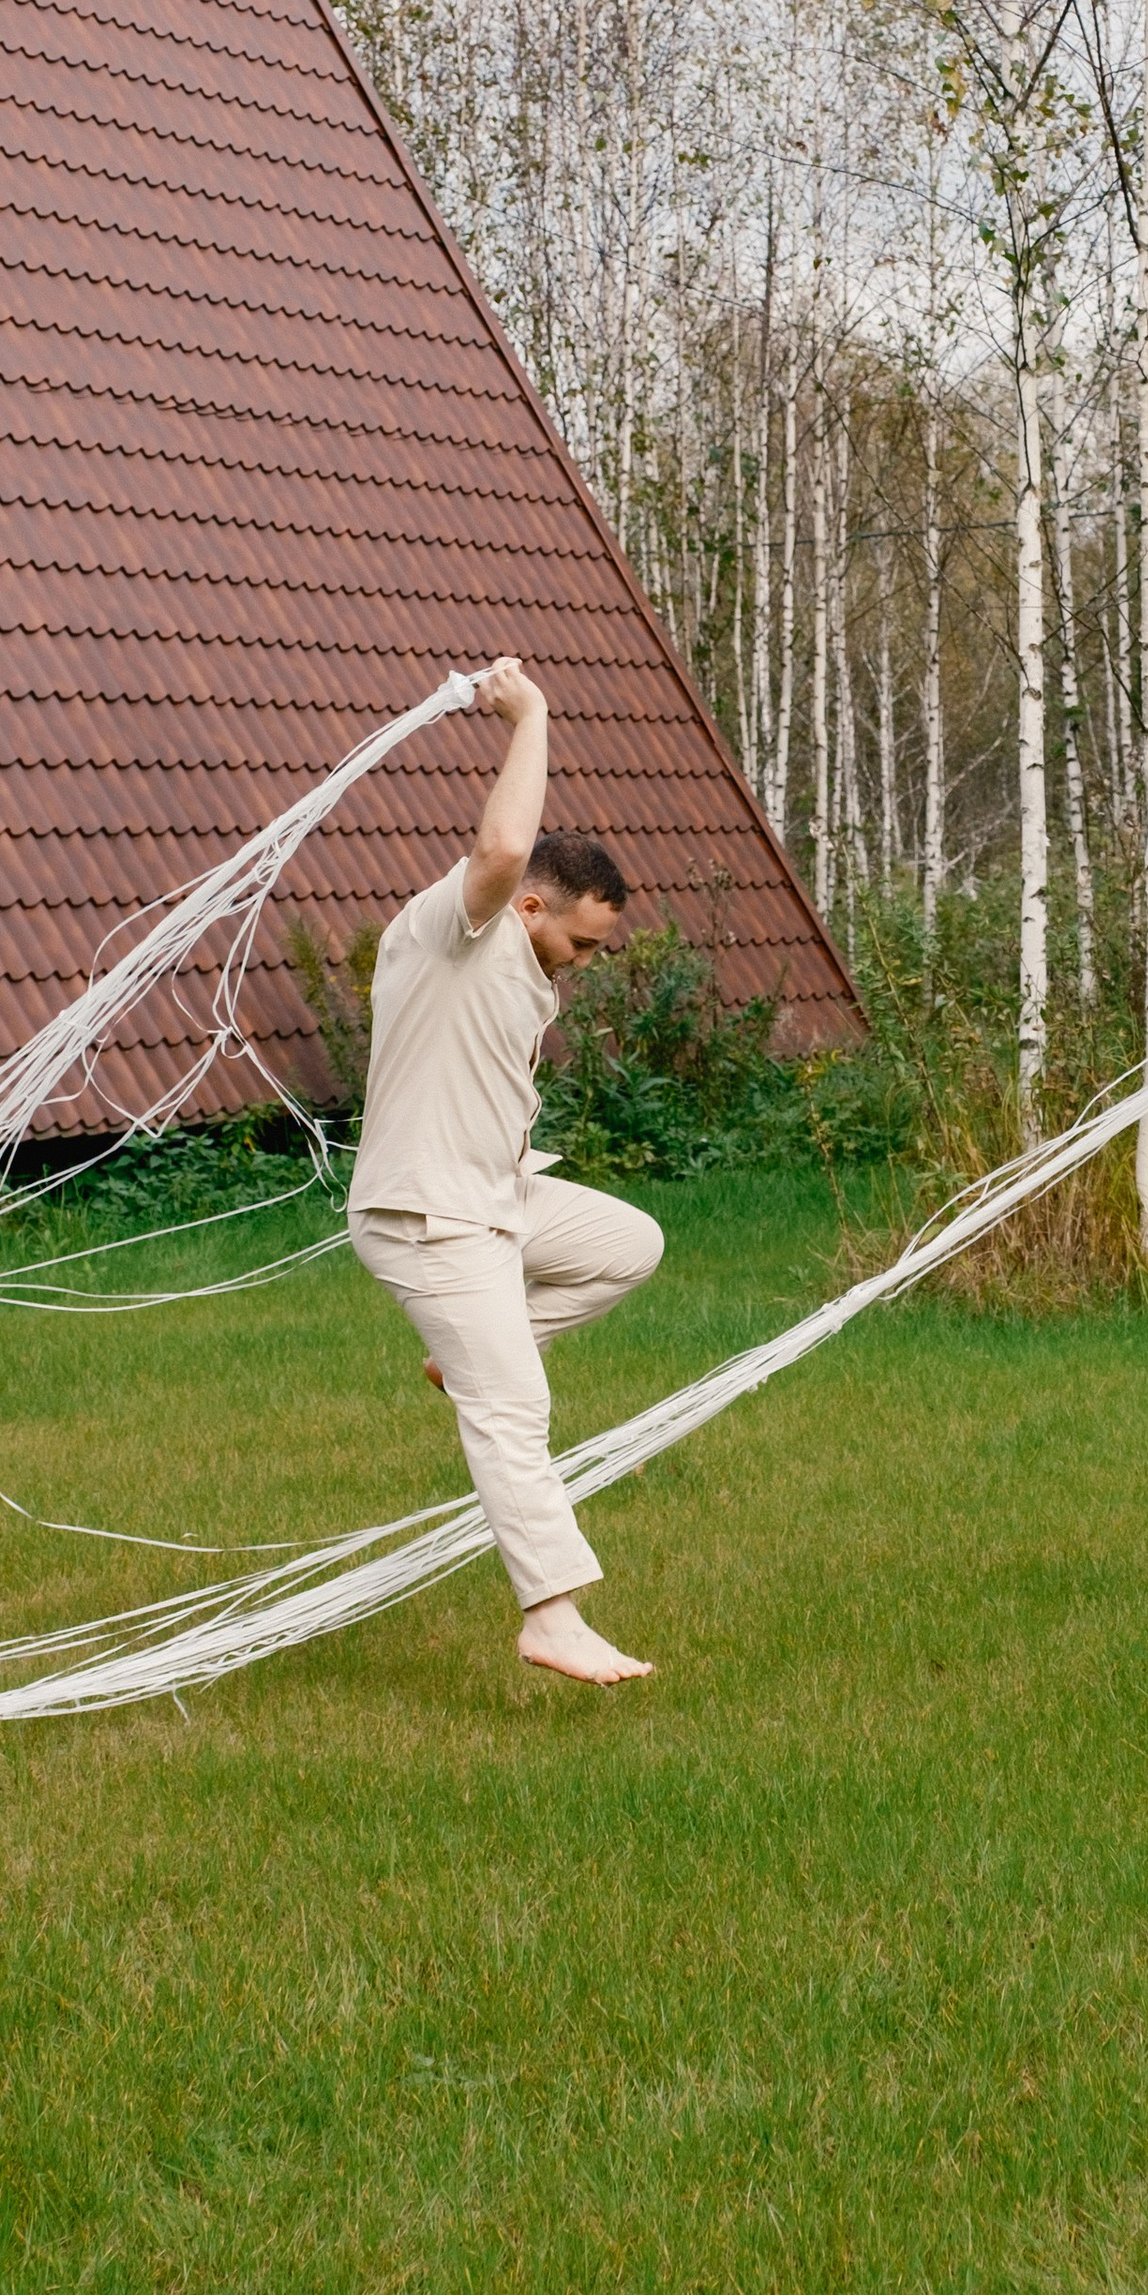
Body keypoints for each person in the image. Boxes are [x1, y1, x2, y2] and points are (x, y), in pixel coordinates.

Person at [347, 654, 665, 1688]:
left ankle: (474, 1353)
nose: (586, 961)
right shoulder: (454, 930)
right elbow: (502, 841)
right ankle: (551, 1614)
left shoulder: (521, 962)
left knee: (628, 1244)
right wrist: (530, 712)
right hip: (426, 1214)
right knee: (514, 1410)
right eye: (581, 939)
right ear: (531, 907)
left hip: (492, 1200)